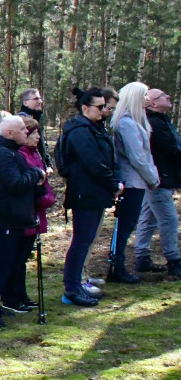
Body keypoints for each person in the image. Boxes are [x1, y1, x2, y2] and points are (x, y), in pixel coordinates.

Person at [0, 116, 47, 328]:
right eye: (22, 129)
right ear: (9, 133)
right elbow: (14, 183)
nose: (26, 132)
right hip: (5, 218)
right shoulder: (2, 153)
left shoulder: (10, 151)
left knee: (6, 264)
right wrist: (36, 174)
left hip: (14, 217)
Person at [59, 87, 121, 307]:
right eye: (100, 106)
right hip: (85, 193)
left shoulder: (94, 128)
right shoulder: (79, 131)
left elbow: (107, 160)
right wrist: (113, 184)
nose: (104, 110)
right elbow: (93, 162)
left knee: (85, 241)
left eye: (105, 106)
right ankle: (72, 289)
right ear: (85, 108)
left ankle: (76, 285)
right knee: (81, 241)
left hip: (94, 192)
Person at [1, 116, 56, 314]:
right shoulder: (20, 155)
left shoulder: (35, 154)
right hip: (25, 213)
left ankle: (21, 295)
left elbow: (42, 182)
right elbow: (28, 184)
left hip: (35, 212)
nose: (37, 137)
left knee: (22, 258)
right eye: (33, 133)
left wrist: (46, 195)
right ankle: (11, 297)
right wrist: (41, 193)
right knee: (16, 258)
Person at [108, 82, 159, 283]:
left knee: (128, 224)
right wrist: (152, 178)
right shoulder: (127, 124)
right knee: (125, 225)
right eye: (144, 94)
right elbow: (137, 156)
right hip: (131, 182)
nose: (147, 99)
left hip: (136, 181)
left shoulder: (133, 122)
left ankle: (117, 265)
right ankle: (116, 267)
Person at [134, 89, 181, 278]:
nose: (168, 96)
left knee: (149, 217)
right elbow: (171, 149)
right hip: (158, 180)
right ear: (152, 103)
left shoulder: (161, 121)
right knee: (169, 219)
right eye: (162, 95)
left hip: (160, 178)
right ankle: (174, 261)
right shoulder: (153, 123)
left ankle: (142, 257)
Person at [18, 88, 52, 167]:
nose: (40, 101)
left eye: (40, 98)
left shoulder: (37, 117)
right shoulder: (21, 120)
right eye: (36, 99)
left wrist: (48, 164)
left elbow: (42, 142)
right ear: (25, 103)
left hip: (40, 165)